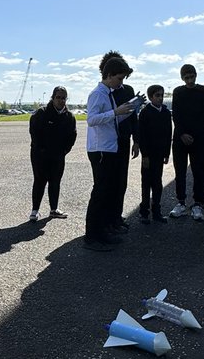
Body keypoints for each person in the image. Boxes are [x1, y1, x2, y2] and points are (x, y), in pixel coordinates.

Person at [84, 54, 135, 251]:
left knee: (106, 192)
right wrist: (115, 112)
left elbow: (109, 121)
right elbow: (91, 119)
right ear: (109, 75)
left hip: (108, 147)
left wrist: (125, 112)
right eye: (119, 78)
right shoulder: (98, 94)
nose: (121, 83)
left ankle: (102, 231)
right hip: (100, 150)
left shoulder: (108, 94)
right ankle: (92, 236)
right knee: (100, 192)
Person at [98, 50, 139, 232]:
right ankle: (106, 220)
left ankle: (116, 217)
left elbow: (133, 117)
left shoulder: (127, 90)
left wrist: (136, 140)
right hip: (107, 144)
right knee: (108, 183)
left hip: (123, 140)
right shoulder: (104, 92)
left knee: (121, 182)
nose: (121, 81)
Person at [169, 64, 204, 221]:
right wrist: (182, 133)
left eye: (191, 77)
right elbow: (176, 114)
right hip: (181, 138)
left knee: (198, 171)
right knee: (179, 172)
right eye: (186, 78)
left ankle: (197, 204)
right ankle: (180, 202)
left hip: (198, 138)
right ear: (182, 78)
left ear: (196, 75)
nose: (189, 80)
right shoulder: (178, 92)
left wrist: (197, 133)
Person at [28, 86, 77, 221]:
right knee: (40, 181)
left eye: (63, 98)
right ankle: (35, 211)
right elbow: (34, 132)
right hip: (40, 155)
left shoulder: (69, 116)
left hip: (58, 155)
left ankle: (54, 209)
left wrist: (65, 150)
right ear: (53, 98)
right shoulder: (41, 113)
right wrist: (41, 149)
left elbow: (72, 135)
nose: (61, 101)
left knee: (55, 182)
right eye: (58, 97)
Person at [136, 84, 172, 224]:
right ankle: (143, 212)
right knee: (146, 184)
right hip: (148, 155)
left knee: (158, 183)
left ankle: (156, 211)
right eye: (157, 95)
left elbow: (169, 132)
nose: (160, 98)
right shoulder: (145, 113)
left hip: (160, 154)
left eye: (162, 95)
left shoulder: (165, 112)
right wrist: (144, 155)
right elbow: (141, 135)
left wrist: (167, 153)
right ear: (151, 97)